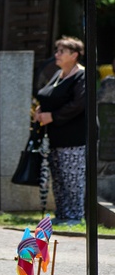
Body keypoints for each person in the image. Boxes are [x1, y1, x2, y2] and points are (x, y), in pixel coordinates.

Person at [35, 36, 86, 225]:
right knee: (59, 177)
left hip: (75, 137)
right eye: (57, 51)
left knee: (73, 178)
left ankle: (74, 216)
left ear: (74, 55)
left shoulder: (82, 75)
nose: (56, 55)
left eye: (61, 51)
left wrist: (53, 116)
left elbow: (79, 104)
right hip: (56, 136)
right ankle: (63, 214)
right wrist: (41, 110)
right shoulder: (59, 74)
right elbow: (49, 95)